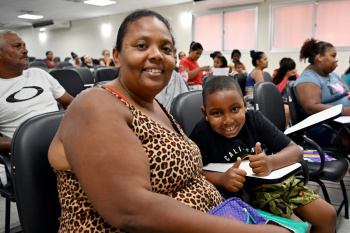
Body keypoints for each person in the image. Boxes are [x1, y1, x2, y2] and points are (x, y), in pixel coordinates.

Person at [48, 9, 289, 233]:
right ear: (117, 57)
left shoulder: (154, 105)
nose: (156, 55)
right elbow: (130, 211)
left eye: (166, 49)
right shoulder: (95, 105)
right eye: (142, 45)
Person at [190, 76, 337, 233]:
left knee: (328, 215)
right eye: (217, 113)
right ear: (205, 113)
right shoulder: (202, 133)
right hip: (246, 195)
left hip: (276, 183)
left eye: (235, 109)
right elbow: (191, 172)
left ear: (245, 105)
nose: (228, 121)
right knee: (300, 229)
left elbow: (295, 151)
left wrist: (271, 162)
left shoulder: (254, 120)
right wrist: (221, 179)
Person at [0, 29, 73, 152]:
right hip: (31, 154)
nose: (25, 50)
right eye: (17, 46)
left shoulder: (39, 74)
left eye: (24, 46)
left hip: (64, 141)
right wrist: (25, 143)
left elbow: (71, 103)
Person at [295, 38, 350, 147]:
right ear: (319, 57)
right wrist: (346, 111)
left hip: (343, 122)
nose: (336, 60)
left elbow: (347, 89)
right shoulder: (307, 80)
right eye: (333, 56)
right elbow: (312, 107)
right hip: (325, 128)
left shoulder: (332, 75)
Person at [272, 57, 299, 129]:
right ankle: (282, 131)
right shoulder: (276, 73)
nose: (293, 71)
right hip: (281, 100)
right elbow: (277, 91)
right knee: (287, 109)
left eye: (294, 68)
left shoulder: (295, 74)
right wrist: (286, 77)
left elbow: (298, 87)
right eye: (290, 69)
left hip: (292, 98)